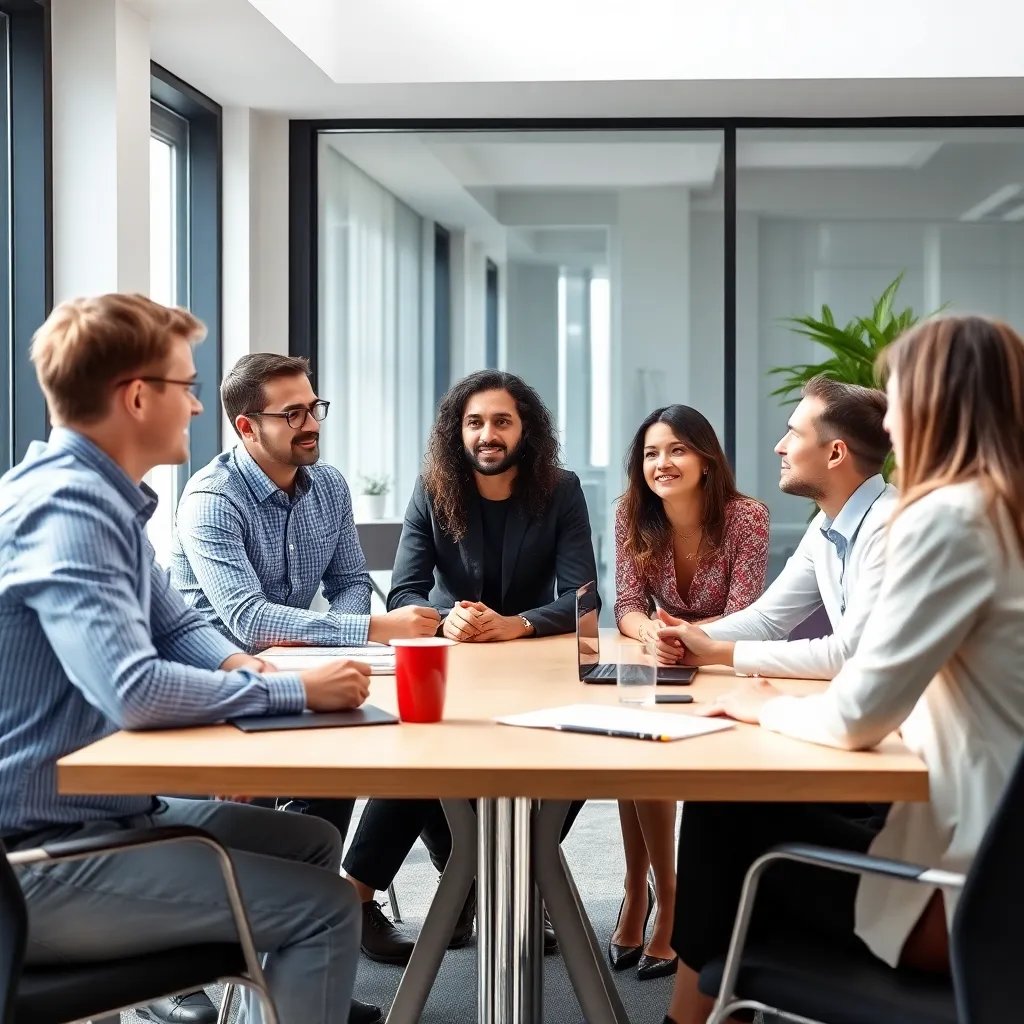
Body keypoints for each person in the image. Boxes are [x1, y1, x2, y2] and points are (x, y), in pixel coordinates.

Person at [0, 294, 384, 1024]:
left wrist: (262, 674)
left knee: (311, 841)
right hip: (42, 857)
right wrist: (293, 695)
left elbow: (182, 634)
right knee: (327, 907)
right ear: (137, 396)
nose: (200, 409)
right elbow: (133, 690)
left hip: (103, 816)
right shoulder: (67, 510)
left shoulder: (101, 500)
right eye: (186, 387)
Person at [662, 314, 1024, 1024]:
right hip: (1000, 866)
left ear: (934, 405)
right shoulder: (1003, 512)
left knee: (724, 819)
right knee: (737, 822)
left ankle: (697, 1012)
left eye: (902, 399)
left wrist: (757, 707)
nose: (890, 430)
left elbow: (859, 710)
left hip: (972, 900)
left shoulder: (946, 518)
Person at [169, 354, 439, 1023]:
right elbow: (250, 621)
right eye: (291, 413)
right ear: (246, 426)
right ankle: (191, 969)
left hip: (296, 670)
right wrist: (370, 625)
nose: (310, 422)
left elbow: (349, 577)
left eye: (314, 407)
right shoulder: (211, 500)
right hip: (216, 680)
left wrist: (331, 631)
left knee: (361, 753)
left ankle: (305, 966)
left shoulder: (328, 486)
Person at [342, 370, 598, 964]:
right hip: (452, 663)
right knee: (423, 749)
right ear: (457, 432)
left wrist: (519, 623)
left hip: (532, 663)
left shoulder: (560, 489)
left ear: (525, 429)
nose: (487, 434)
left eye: (501, 421)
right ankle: (365, 898)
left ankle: (484, 882)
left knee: (582, 751)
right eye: (475, 422)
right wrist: (444, 618)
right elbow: (404, 590)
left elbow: (582, 595)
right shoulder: (434, 489)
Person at [612, 405, 769, 980]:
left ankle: (669, 896)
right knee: (632, 736)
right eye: (652, 453)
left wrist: (689, 638)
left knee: (653, 748)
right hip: (664, 657)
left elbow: (747, 612)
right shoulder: (632, 514)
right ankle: (636, 888)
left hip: (726, 660)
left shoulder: (745, 517)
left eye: (677, 449)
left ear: (706, 458)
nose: (663, 463)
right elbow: (627, 607)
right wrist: (652, 631)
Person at [654, 375, 895, 680]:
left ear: (835, 453)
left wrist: (719, 652)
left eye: (794, 435)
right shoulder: (827, 522)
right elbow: (767, 619)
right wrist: (686, 636)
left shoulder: (892, 528)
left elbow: (851, 654)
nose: (779, 447)